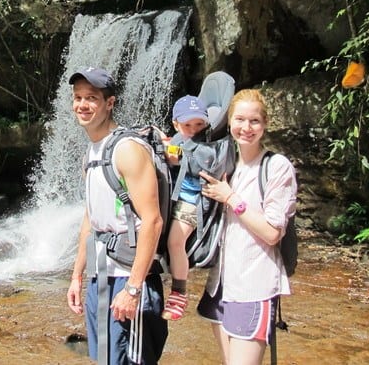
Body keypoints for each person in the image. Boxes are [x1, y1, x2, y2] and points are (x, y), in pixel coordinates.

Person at [65, 66, 168, 365]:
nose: (82, 105)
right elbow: (91, 219)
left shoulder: (128, 149)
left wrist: (134, 290)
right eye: (78, 97)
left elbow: (153, 221)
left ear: (109, 103)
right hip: (100, 275)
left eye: (92, 98)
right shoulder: (91, 154)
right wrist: (76, 276)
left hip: (129, 277)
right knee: (105, 359)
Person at [197, 89, 297, 365]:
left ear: (265, 124)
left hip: (254, 286)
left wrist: (230, 197)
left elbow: (272, 232)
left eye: (254, 121)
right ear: (229, 122)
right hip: (220, 285)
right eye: (240, 119)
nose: (246, 127)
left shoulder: (277, 167)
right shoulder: (225, 162)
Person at [161, 95, 210, 321]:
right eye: (188, 125)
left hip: (192, 201)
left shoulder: (206, 146)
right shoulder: (177, 140)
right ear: (176, 125)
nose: (193, 130)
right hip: (170, 198)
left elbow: (184, 158)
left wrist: (170, 150)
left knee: (175, 241)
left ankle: (179, 292)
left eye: (199, 124)